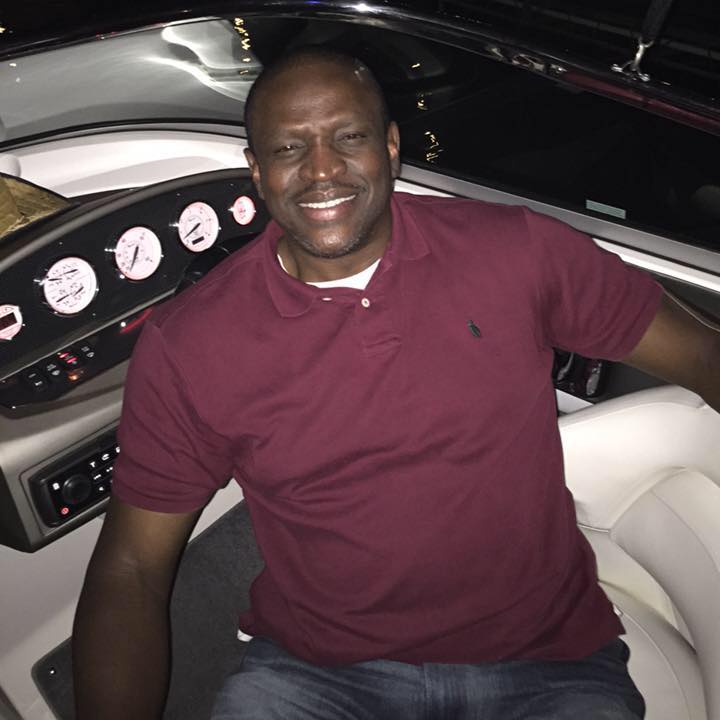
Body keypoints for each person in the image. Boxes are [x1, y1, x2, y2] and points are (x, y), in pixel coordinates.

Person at [72, 47, 720, 720]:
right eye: (289, 147)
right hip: (320, 676)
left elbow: (703, 353)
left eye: (348, 137)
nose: (322, 169)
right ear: (257, 171)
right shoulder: (192, 345)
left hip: (549, 662)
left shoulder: (517, 253)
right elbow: (132, 568)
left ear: (389, 146)